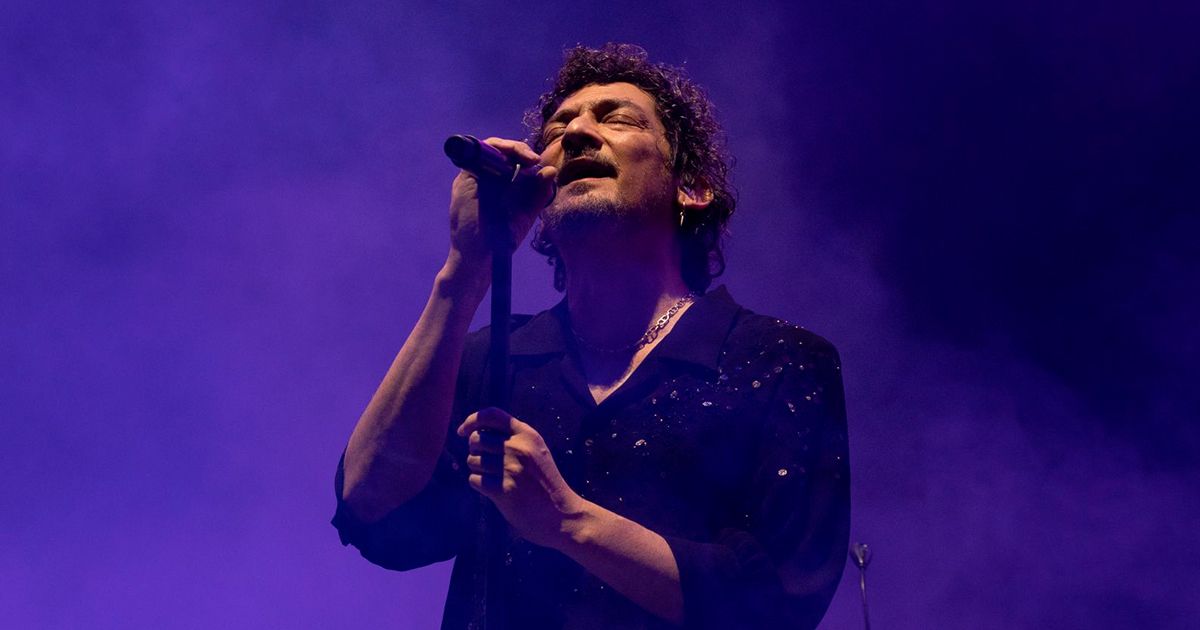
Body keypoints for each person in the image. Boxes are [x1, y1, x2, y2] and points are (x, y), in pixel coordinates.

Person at [332, 43, 850, 630]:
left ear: (692, 188)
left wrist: (568, 520)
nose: (576, 134)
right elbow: (371, 511)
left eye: (617, 118)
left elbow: (779, 601)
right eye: (558, 129)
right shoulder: (494, 358)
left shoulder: (775, 360)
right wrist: (465, 269)